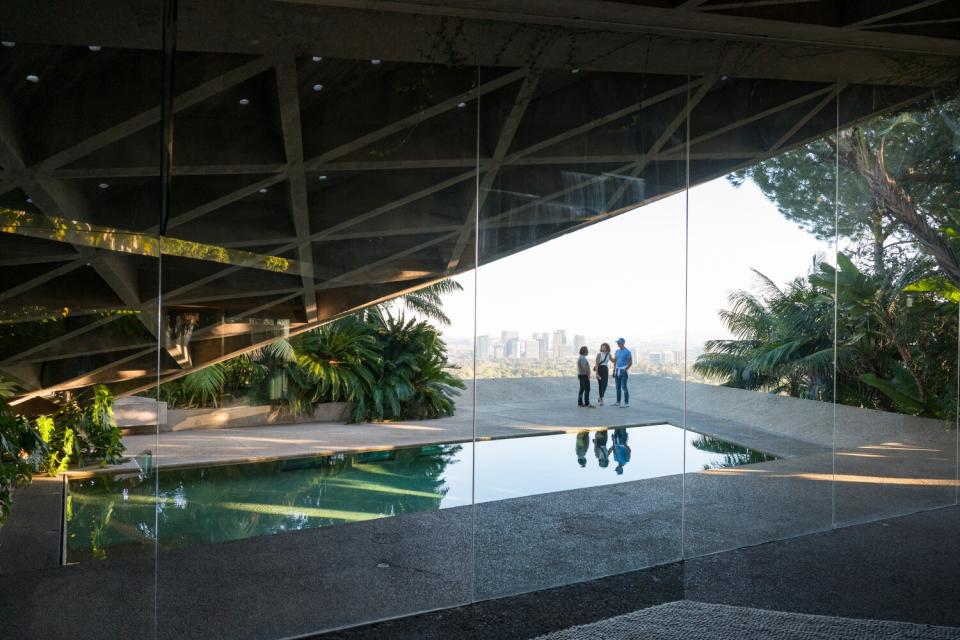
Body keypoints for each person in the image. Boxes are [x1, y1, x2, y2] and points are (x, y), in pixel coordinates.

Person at [612, 337, 632, 407]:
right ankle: (618, 402)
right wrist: (614, 370)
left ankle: (626, 403)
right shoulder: (617, 351)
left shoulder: (628, 352)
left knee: (624, 387)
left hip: (623, 371)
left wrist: (625, 369)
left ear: (623, 343)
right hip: (617, 370)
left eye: (619, 342)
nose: (618, 344)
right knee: (617, 387)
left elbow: (630, 362)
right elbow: (615, 361)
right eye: (617, 343)